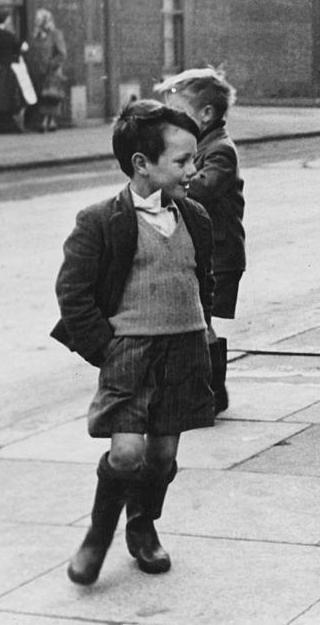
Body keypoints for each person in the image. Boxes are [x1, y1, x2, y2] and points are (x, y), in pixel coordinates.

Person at [51, 99, 215, 586]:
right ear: (142, 164)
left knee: (162, 456)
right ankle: (97, 538)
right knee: (126, 454)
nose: (193, 169)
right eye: (183, 161)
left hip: (183, 352)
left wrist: (201, 328)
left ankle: (142, 527)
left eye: (195, 159)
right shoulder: (101, 220)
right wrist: (108, 350)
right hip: (130, 356)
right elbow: (73, 294)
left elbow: (199, 281)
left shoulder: (196, 217)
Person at [154, 67, 244, 415]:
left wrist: (167, 178)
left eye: (179, 114)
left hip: (218, 255)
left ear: (206, 114)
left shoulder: (220, 150)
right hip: (206, 253)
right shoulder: (201, 146)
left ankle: (212, 392)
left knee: (200, 320)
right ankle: (208, 391)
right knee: (197, 319)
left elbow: (201, 189)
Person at [26, 8, 68, 132]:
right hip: (37, 71)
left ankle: (46, 122)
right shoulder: (35, 35)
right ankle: (49, 122)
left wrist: (52, 65)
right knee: (42, 96)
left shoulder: (55, 34)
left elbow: (62, 54)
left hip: (51, 71)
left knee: (49, 97)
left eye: (39, 19)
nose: (36, 22)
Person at [0, 5, 27, 132]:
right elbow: (22, 47)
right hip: (10, 67)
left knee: (2, 96)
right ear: (5, 19)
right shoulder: (8, 35)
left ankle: (7, 121)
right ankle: (16, 118)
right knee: (13, 94)